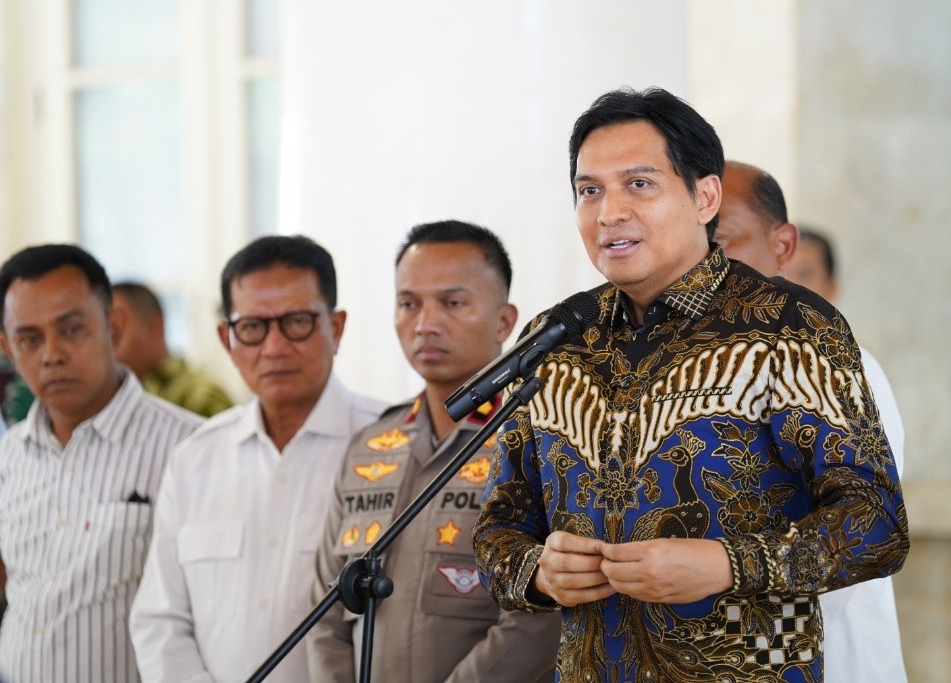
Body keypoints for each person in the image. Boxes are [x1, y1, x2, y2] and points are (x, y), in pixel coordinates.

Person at [473, 88, 909, 682]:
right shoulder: (557, 339)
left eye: (639, 184)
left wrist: (728, 564)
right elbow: (497, 531)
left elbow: (878, 525)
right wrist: (539, 573)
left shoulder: (790, 326)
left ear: (705, 197)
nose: (609, 212)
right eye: (589, 191)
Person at [307, 220, 562, 682]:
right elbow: (325, 612)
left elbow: (538, 617)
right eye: (409, 304)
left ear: (505, 321)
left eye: (452, 303)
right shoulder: (371, 447)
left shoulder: (539, 443)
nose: (425, 324)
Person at [129, 235, 385, 682]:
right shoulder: (195, 459)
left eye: (298, 322)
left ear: (337, 328)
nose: (274, 347)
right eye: (252, 327)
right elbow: (160, 619)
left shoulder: (389, 445)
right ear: (227, 339)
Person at [718, 212, 907, 682]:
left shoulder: (845, 367)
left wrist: (748, 652)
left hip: (821, 654)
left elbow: (862, 529)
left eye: (722, 241)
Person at [0, 244, 202, 683]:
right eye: (29, 339)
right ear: (7, 346)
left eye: (72, 329)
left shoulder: (190, 449)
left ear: (115, 326)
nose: (52, 354)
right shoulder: (8, 457)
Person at [113, 281, 234, 417]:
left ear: (156, 326)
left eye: (115, 330)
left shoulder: (200, 397)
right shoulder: (123, 398)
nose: (109, 344)